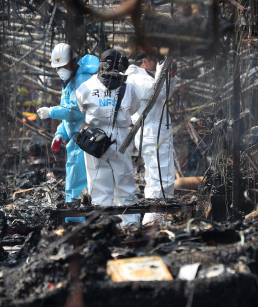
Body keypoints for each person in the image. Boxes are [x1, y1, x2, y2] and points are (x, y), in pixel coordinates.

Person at [75, 49, 141, 226]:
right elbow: (135, 108)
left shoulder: (85, 87)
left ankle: (102, 225)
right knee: (125, 184)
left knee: (98, 186)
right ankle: (130, 224)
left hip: (95, 138)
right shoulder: (130, 88)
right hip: (121, 137)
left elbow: (81, 106)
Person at [36, 43, 99, 222]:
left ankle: (79, 219)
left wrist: (51, 112)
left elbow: (75, 112)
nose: (60, 71)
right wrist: (60, 134)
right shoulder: (69, 81)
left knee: (80, 180)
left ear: (73, 62)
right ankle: (71, 217)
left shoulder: (83, 80)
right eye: (57, 68)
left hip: (86, 138)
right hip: (75, 139)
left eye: (63, 66)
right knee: (72, 178)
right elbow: (68, 116)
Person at [125, 53, 177, 224]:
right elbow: (158, 92)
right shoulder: (136, 79)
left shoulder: (145, 77)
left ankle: (159, 217)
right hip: (152, 132)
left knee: (162, 176)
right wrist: (163, 72)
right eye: (155, 60)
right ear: (144, 61)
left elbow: (165, 94)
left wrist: (171, 76)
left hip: (155, 131)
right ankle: (153, 220)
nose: (157, 64)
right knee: (159, 177)